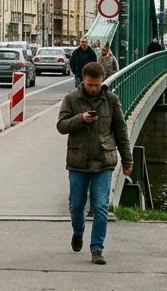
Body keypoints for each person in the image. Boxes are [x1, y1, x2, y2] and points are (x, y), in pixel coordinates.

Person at [57, 62, 133, 265]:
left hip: (103, 161)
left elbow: (121, 131)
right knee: (76, 206)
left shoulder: (111, 100)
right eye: (90, 85)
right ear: (83, 80)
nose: (93, 88)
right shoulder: (71, 99)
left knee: (100, 207)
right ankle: (78, 232)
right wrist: (81, 119)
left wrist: (127, 160)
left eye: (97, 85)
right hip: (78, 162)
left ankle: (97, 249)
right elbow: (61, 126)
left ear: (102, 81)